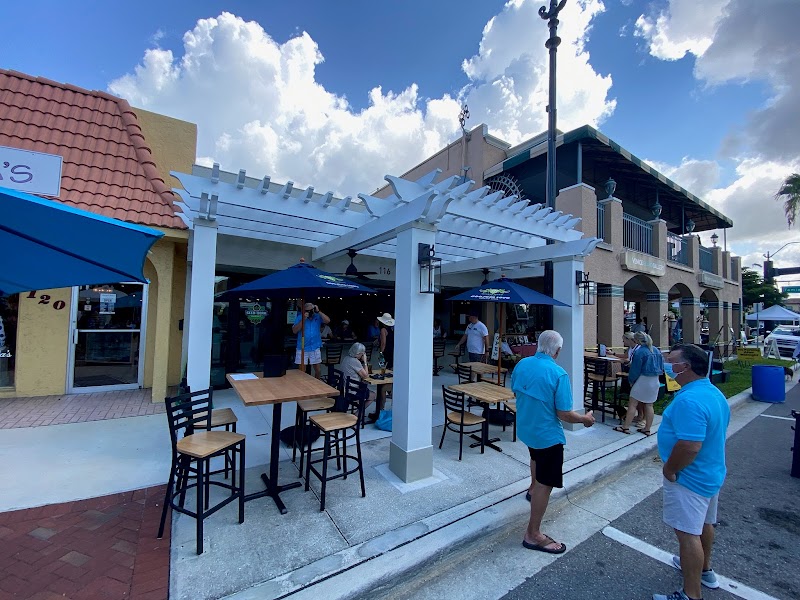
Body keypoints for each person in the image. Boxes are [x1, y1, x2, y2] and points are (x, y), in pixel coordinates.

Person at [653, 343, 730, 600]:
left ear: (684, 367)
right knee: (705, 524)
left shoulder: (690, 400)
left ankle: (691, 594)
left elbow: (689, 445)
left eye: (670, 359)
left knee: (688, 535)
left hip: (689, 477)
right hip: (710, 474)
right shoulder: (714, 394)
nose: (666, 363)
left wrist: (670, 469)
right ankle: (705, 570)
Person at [511, 330, 595, 554]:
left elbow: (515, 391)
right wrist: (585, 419)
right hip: (548, 436)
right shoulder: (558, 374)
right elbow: (565, 414)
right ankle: (533, 534)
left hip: (527, 429)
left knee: (534, 458)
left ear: (539, 345)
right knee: (545, 483)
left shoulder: (522, 364)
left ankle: (531, 488)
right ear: (557, 351)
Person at [615, 332, 663, 436]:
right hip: (655, 380)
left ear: (636, 340)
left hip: (642, 379)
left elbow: (635, 370)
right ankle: (647, 429)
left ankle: (625, 427)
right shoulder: (656, 350)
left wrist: (631, 381)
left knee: (632, 404)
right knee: (649, 405)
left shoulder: (640, 352)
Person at [291, 302, 330, 379]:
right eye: (307, 310)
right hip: (302, 347)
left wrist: (318, 311)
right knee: (302, 371)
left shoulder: (317, 316)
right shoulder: (300, 317)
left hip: (314, 346)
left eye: (310, 310)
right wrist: (303, 319)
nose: (309, 312)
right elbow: (294, 331)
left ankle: (317, 386)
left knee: (318, 370)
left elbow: (328, 321)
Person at [339, 342, 376, 408]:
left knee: (365, 390)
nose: (363, 355)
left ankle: (357, 412)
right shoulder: (355, 361)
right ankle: (357, 415)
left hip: (345, 389)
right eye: (363, 353)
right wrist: (365, 362)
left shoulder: (346, 358)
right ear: (358, 353)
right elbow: (366, 376)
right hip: (353, 391)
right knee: (373, 395)